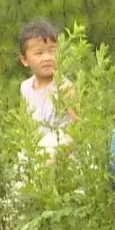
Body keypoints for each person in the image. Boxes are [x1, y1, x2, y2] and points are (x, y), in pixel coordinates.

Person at [16, 19, 77, 156]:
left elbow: (78, 130)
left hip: (63, 155)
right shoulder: (25, 87)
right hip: (37, 152)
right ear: (25, 60)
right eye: (39, 53)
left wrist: (56, 157)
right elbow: (27, 127)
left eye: (52, 51)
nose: (47, 58)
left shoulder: (64, 88)